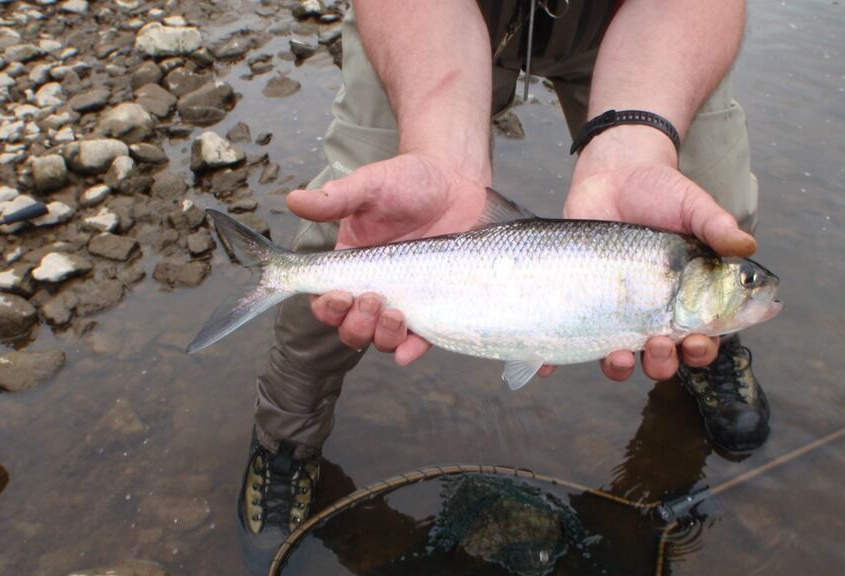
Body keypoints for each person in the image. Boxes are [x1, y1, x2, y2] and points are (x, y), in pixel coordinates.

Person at [238, 0, 770, 557]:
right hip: (426, 18)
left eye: (746, 284)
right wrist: (439, 147)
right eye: (747, 284)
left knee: (717, 216)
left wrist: (636, 141)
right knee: (348, 230)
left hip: (642, 21)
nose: (756, 284)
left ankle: (712, 348)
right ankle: (286, 437)